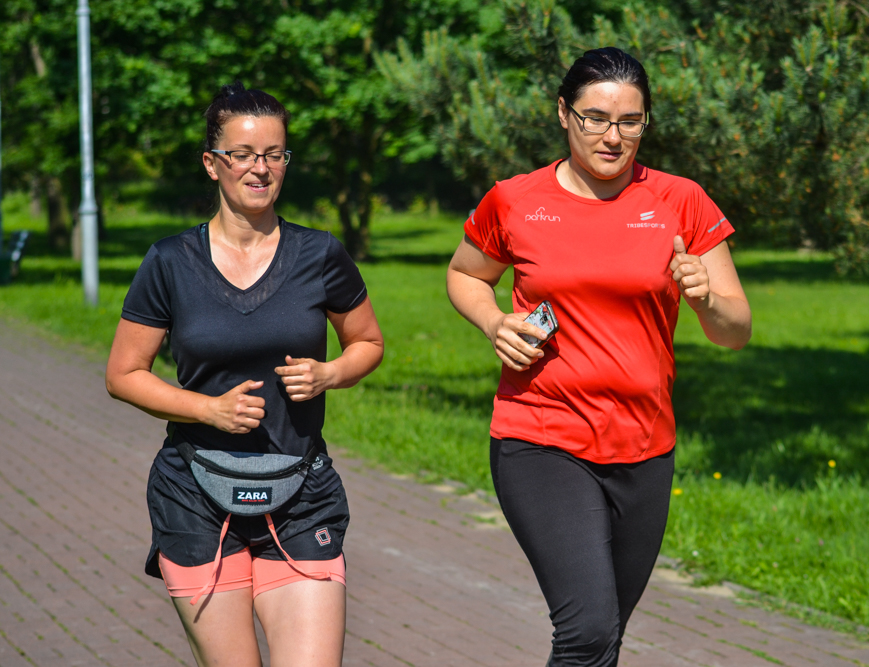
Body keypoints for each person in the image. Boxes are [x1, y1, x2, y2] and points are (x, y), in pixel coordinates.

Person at [446, 47, 752, 666]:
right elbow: (465, 274)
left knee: (604, 636)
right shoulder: (515, 199)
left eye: (630, 122)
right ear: (564, 113)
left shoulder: (681, 200)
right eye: (596, 118)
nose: (613, 137)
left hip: (645, 445)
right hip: (541, 435)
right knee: (586, 629)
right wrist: (494, 321)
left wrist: (704, 298)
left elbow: (735, 330)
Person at [105, 82, 383, 667]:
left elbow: (368, 343)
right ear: (212, 163)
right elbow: (124, 373)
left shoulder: (319, 254)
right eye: (243, 154)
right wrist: (208, 409)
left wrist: (330, 373)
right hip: (196, 496)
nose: (260, 168)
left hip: (301, 492)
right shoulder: (169, 262)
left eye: (274, 154)